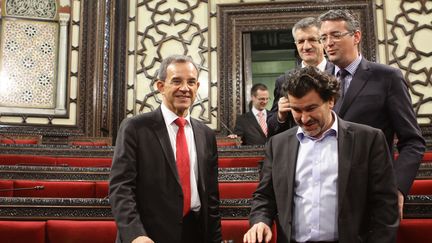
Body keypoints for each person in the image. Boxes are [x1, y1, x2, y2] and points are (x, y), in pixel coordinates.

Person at [243, 66, 399, 243]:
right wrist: (260, 221)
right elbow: (265, 196)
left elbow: (385, 206)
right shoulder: (278, 144)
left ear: (331, 100)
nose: (304, 118)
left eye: (311, 108)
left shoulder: (369, 139)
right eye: (297, 110)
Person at [317, 9, 425, 219]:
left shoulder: (387, 77)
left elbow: (413, 142)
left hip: (372, 190)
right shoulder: (318, 81)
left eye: (335, 35)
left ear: (356, 36)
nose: (328, 42)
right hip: (325, 192)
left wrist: (397, 187)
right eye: (324, 37)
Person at [109, 55, 222, 243]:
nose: (185, 88)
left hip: (196, 233)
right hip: (148, 235)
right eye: (176, 81)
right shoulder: (135, 128)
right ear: (161, 86)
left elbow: (211, 198)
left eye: (191, 82)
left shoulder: (206, 134)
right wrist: (135, 234)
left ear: (197, 88)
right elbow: (121, 187)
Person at [267, 16, 334, 136]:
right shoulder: (283, 81)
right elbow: (272, 130)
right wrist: (280, 116)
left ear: (323, 41)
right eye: (301, 41)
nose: (306, 47)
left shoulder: (339, 74)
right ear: (296, 44)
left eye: (312, 39)